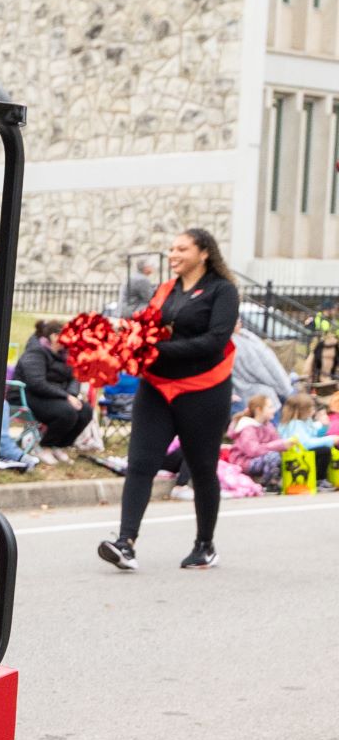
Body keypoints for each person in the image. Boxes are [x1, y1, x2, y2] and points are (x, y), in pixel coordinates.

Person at [100, 227, 238, 572]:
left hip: (204, 390)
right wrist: (126, 335)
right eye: (172, 249)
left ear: (204, 252)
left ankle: (204, 545)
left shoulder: (223, 291)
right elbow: (147, 328)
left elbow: (215, 342)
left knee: (203, 469)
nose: (173, 255)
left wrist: (158, 349)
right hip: (158, 387)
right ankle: (126, 543)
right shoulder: (166, 291)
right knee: (141, 462)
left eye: (182, 249)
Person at [14, 319, 92, 463]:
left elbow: (75, 377)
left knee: (85, 410)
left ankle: (59, 445)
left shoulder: (66, 354)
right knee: (66, 413)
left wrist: (72, 395)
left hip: (56, 396)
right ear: (55, 336)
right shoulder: (35, 351)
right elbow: (36, 383)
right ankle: (45, 447)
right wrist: (66, 396)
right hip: (29, 395)